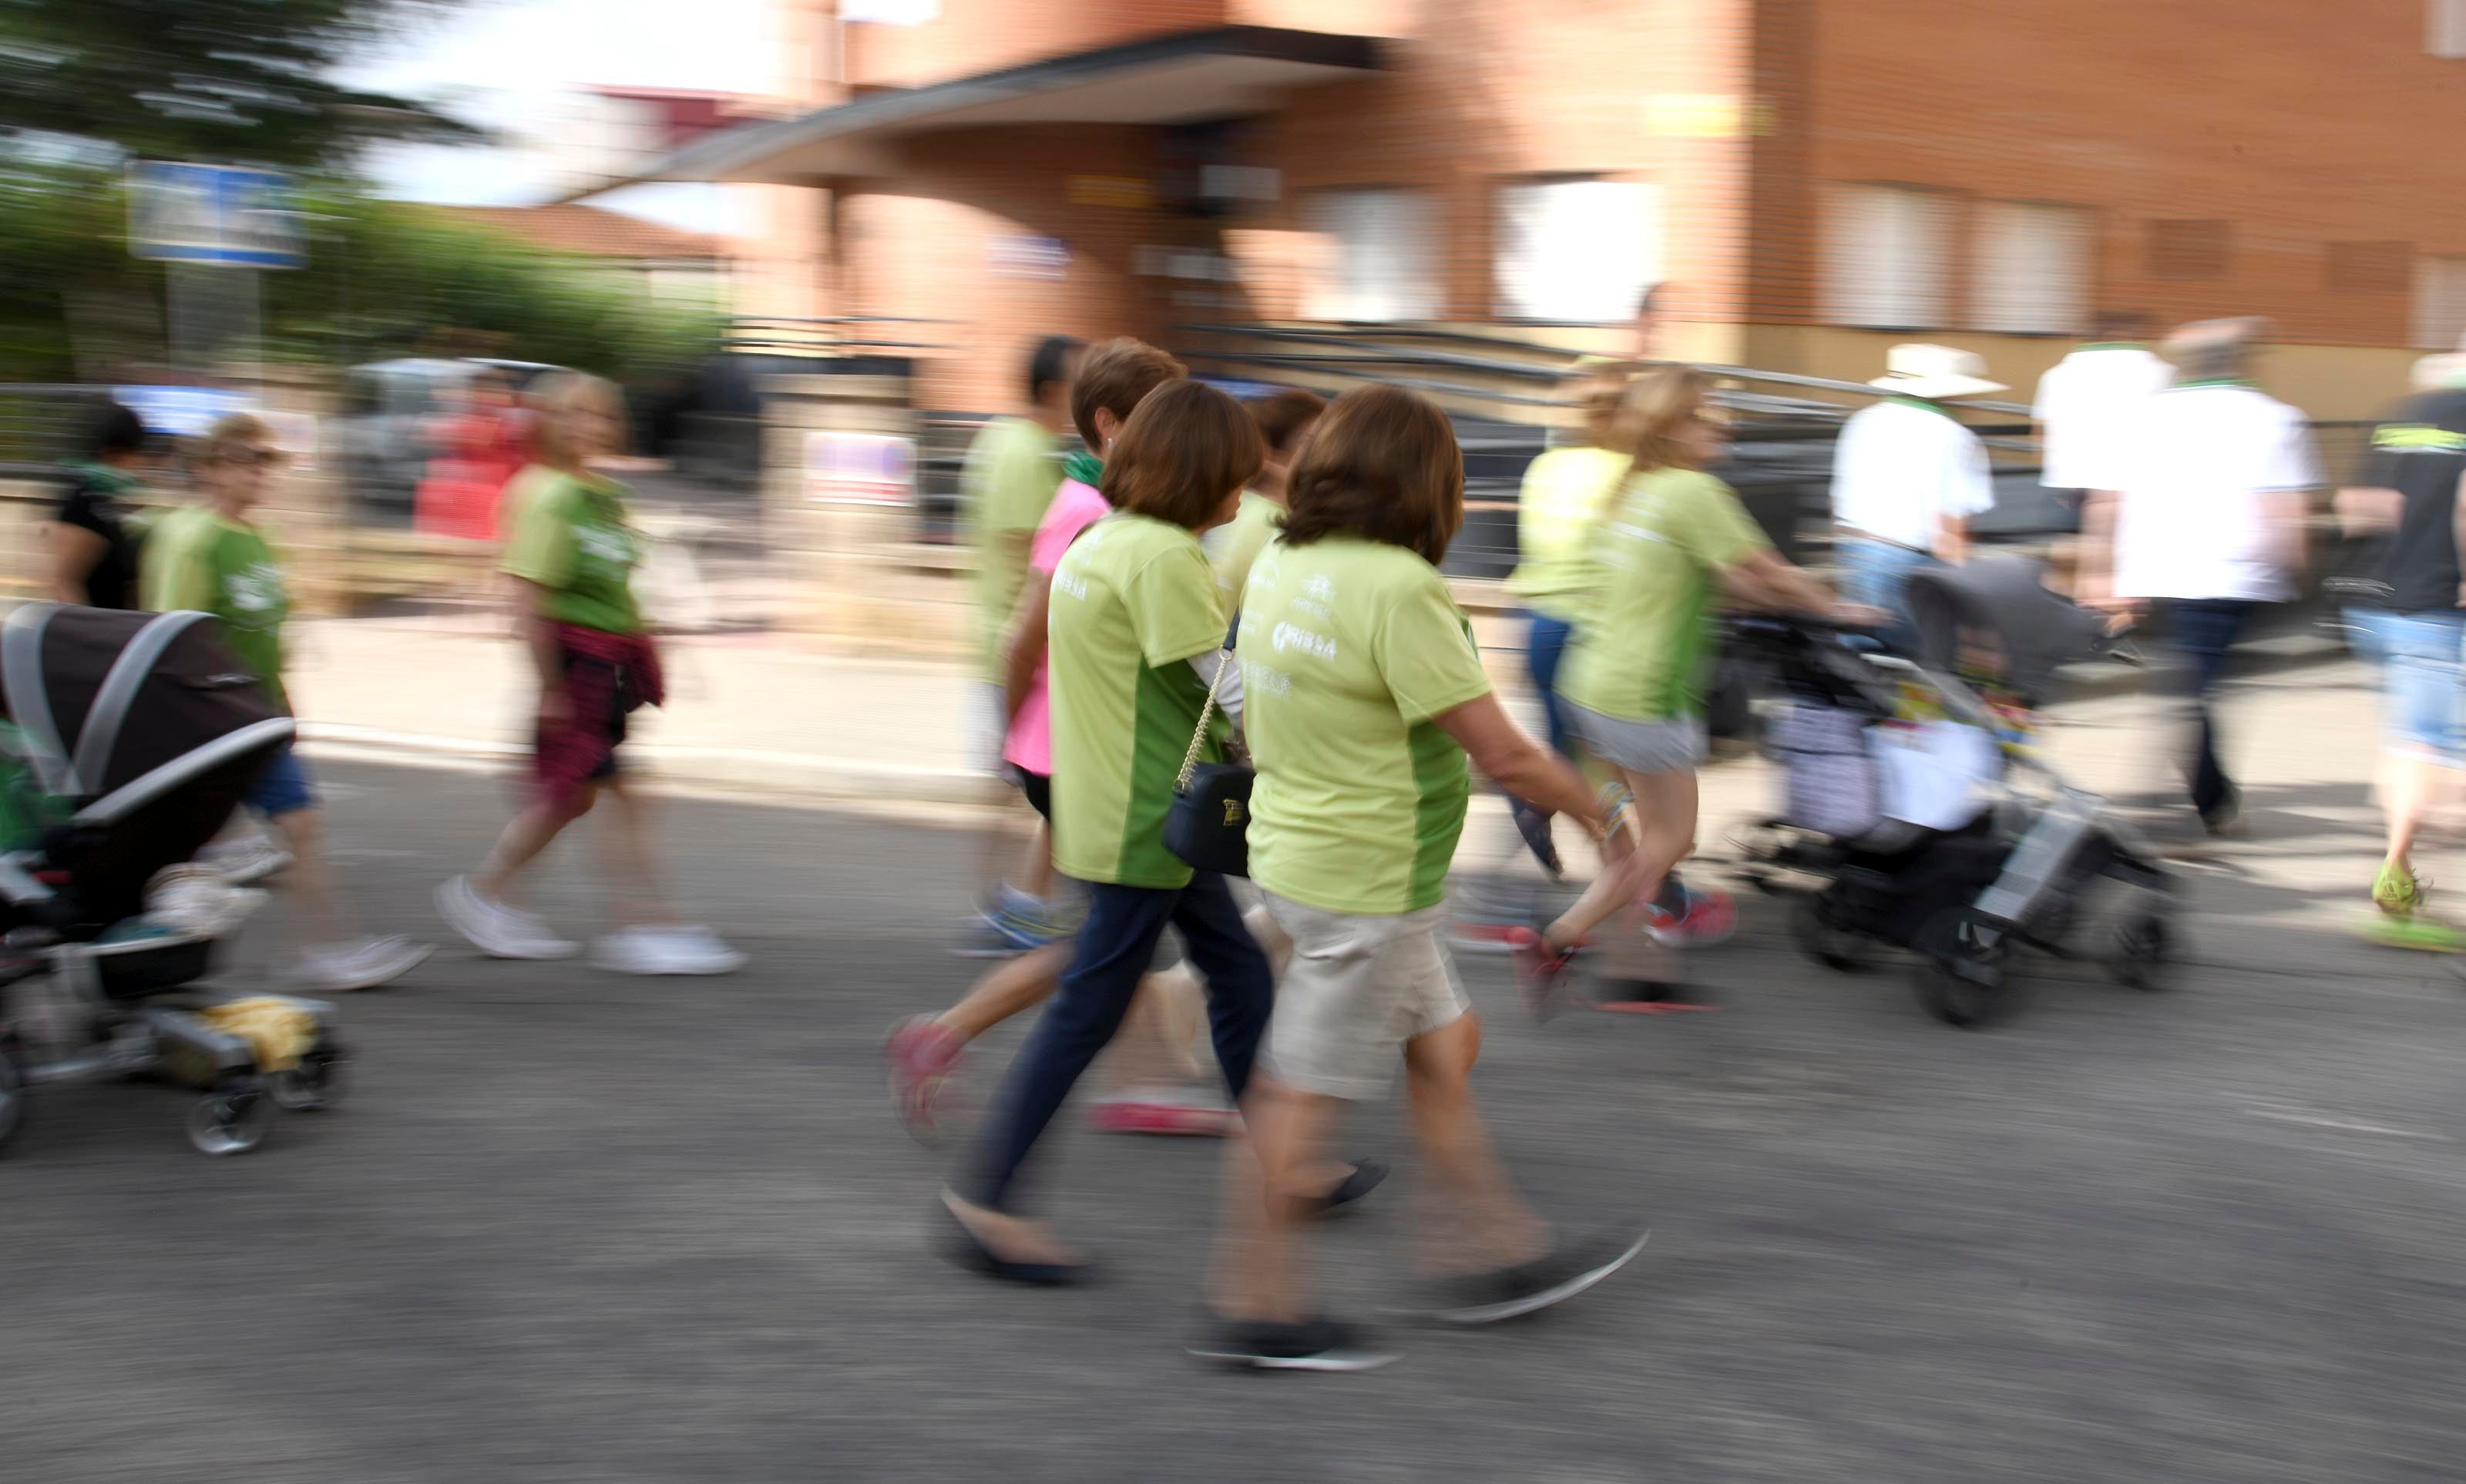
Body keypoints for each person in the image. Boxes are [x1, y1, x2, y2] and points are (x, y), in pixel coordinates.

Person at [1200, 384, 1643, 1371]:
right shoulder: (1400, 590)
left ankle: (1485, 1249)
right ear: (1426, 485)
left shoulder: (1282, 556)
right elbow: (1507, 755)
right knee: (1293, 1098)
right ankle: (1256, 1310)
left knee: (1442, 1050)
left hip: (1302, 856)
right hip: (1365, 882)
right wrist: (1607, 816)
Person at [939, 378, 1275, 1285]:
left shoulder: (1098, 542)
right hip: (1150, 822)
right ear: (1199, 474)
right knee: (1091, 1006)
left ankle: (1286, 1160)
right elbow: (1228, 689)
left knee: (1237, 971)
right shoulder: (1165, 558)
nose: (1240, 498)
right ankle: (987, 1195)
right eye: (1234, 480)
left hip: (1115, 806)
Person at [888, 338, 1228, 1138]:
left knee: (1132, 934)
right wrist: (1012, 750)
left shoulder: (1111, 503)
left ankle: (1134, 1083)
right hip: (1069, 752)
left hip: (1089, 749)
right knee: (1115, 939)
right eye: (1156, 415)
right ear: (1111, 425)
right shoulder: (1084, 510)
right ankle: (945, 1037)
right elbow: (1020, 639)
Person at [1520, 369, 1866, 1011]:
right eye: (1708, 415)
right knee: (1673, 839)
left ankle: (1640, 967)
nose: (1722, 425)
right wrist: (1840, 610)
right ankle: (1562, 937)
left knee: (1639, 836)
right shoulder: (1693, 490)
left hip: (1588, 682)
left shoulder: (1635, 488)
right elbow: (1767, 573)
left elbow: (1726, 579)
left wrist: (1773, 599)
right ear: (1673, 426)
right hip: (1641, 692)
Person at [435, 372, 744, 975]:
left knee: (576, 798)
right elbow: (523, 592)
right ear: (546, 422)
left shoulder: (601, 495)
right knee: (618, 794)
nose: (589, 426)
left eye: (601, 416)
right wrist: (550, 684)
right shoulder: (547, 493)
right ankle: (641, 925)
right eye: (573, 414)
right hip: (577, 663)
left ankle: (487, 895)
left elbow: (620, 581)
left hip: (610, 661)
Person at [143, 414, 431, 992]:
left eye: (266, 460)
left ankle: (320, 950)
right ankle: (315, 949)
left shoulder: (252, 536)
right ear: (210, 468)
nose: (260, 471)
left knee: (290, 826)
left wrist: (282, 706)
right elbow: (171, 637)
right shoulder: (193, 537)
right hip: (213, 717)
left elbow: (267, 633)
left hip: (256, 713)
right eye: (246, 458)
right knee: (246, 833)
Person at [2103, 318, 2315, 838]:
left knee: (2187, 683)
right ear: (2240, 362)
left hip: (2156, 566)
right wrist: (2298, 567)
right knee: (2194, 688)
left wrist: (2104, 571)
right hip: (2233, 572)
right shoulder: (2275, 417)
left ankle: (2200, 795)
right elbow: (2285, 506)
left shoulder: (2147, 414)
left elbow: (2112, 499)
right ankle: (2205, 799)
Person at [955, 335, 1084, 958]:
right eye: (1083, 381)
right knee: (1048, 786)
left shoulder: (999, 438)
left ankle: (1006, 905)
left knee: (1016, 788)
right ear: (1056, 390)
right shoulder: (1031, 455)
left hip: (999, 641)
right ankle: (1014, 910)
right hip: (1026, 650)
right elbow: (1033, 551)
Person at [2337, 351, 2466, 948]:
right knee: (2433, 746)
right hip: (2436, 605)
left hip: (2370, 600)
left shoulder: (2396, 416)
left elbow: (2358, 508)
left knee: (2408, 738)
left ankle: (2402, 876)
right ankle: (2396, 869)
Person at [1497, 363, 1634, 878]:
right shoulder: (1627, 472)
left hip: (1536, 624)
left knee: (1567, 754)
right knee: (1602, 763)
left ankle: (1537, 805)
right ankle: (1639, 876)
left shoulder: (1545, 467)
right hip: (1590, 633)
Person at [1829, 344, 2002, 642]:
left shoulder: (1862, 420)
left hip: (1856, 549)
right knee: (1921, 664)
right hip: (1911, 562)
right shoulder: (1956, 437)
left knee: (1859, 656)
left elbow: (1837, 499)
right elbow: (1951, 530)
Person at [2038, 317, 2172, 606]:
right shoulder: (2162, 373)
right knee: (2120, 562)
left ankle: (2063, 615)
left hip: (2070, 479)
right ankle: (2110, 625)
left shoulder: (2056, 374)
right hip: (2132, 483)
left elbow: (2041, 432)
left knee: (2071, 548)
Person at [1204, 388, 1325, 611]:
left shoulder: (1247, 506)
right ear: (1275, 456)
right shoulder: (1270, 521)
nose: (1326, 454)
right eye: (1310, 443)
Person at [48, 401, 149, 609]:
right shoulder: (82, 502)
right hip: (98, 634)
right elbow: (64, 583)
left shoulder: (102, 497)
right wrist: (94, 636)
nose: (140, 461)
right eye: (136, 452)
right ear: (111, 452)